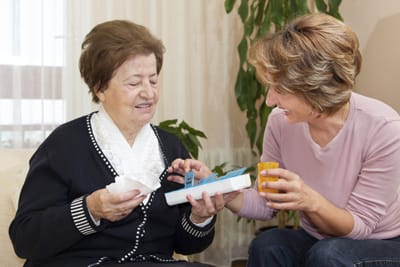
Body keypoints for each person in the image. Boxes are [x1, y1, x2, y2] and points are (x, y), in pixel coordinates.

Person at [168, 13, 400, 267]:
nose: (269, 100)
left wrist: (310, 200)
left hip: (383, 241)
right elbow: (266, 203)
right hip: (319, 239)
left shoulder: (383, 127)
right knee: (269, 245)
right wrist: (223, 191)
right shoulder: (281, 122)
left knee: (329, 254)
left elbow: (360, 228)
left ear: (314, 87)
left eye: (280, 89)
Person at [9, 20, 222, 267]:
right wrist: (91, 209)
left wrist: (199, 217)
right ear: (100, 88)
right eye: (134, 83)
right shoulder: (64, 145)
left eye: (153, 81)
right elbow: (25, 239)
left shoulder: (170, 147)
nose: (148, 93)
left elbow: (186, 246)